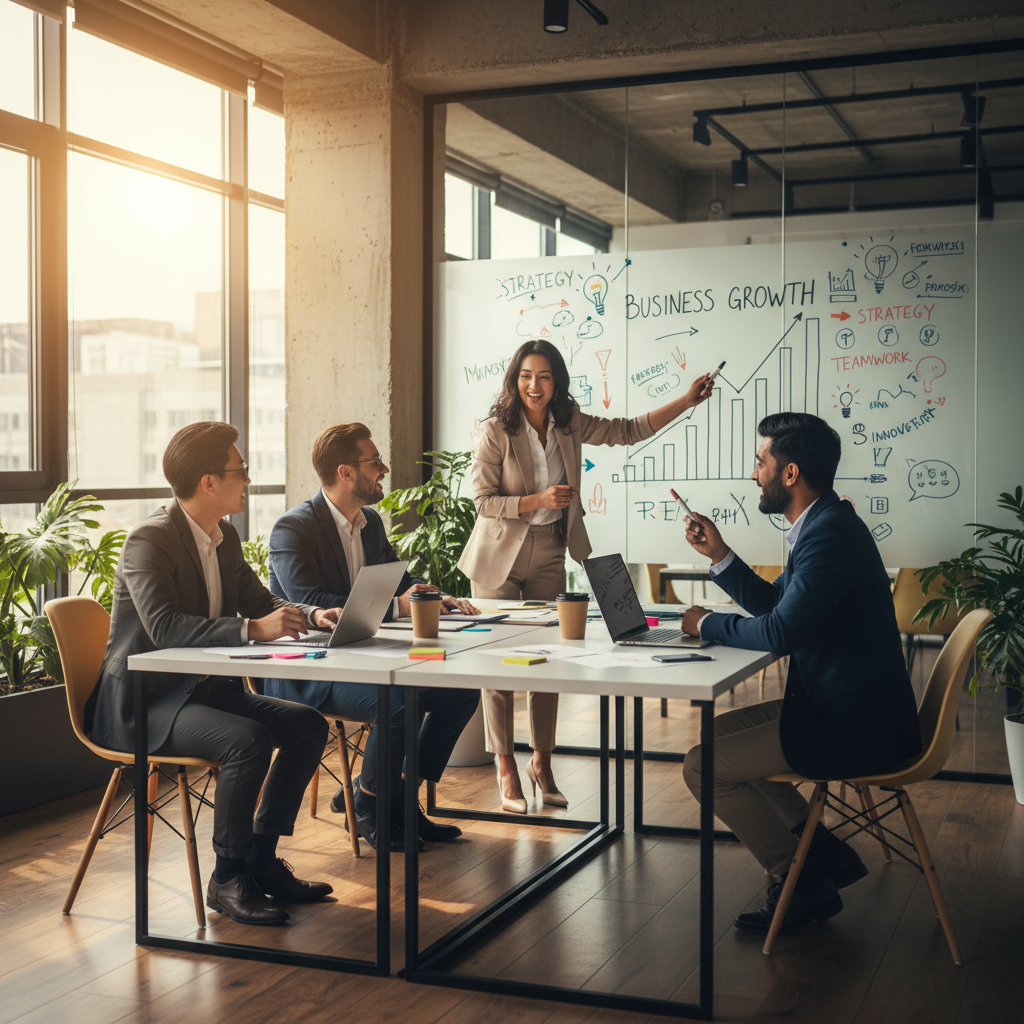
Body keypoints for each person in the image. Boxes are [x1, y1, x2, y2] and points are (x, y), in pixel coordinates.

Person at [85, 421, 340, 926]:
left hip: (204, 693)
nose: (247, 479)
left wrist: (310, 616)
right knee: (246, 741)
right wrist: (253, 630)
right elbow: (163, 627)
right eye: (239, 470)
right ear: (208, 482)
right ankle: (227, 877)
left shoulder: (222, 538)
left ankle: (261, 860)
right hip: (148, 703)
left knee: (308, 725)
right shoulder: (149, 540)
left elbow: (260, 602)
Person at [678, 411, 921, 935]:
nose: (753, 473)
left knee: (703, 767)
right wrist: (719, 555)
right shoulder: (823, 524)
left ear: (790, 474)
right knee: (713, 735)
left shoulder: (828, 535)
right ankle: (823, 852)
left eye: (760, 461)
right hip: (843, 708)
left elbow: (778, 634)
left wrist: (707, 625)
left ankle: (800, 880)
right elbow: (776, 606)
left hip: (854, 726)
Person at [458, 338, 714, 813]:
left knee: (547, 661)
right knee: (496, 666)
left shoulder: (568, 422)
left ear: (557, 382)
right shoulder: (496, 430)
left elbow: (629, 430)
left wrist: (686, 399)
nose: (534, 385)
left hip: (551, 550)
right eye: (526, 376)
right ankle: (506, 766)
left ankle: (542, 762)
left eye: (544, 376)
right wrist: (537, 500)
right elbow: (481, 501)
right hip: (499, 555)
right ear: (515, 380)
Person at [266, 423, 481, 850]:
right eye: (374, 462)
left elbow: (393, 578)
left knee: (460, 694)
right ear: (346, 472)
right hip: (309, 667)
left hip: (363, 654)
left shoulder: (370, 523)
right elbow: (309, 601)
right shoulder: (293, 528)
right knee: (398, 703)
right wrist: (397, 606)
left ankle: (396, 798)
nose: (384, 469)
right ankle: (367, 804)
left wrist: (432, 593)